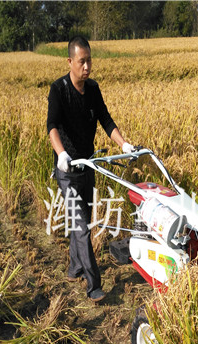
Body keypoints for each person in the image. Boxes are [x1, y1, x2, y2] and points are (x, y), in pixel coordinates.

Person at [47, 35, 134, 302]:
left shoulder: (93, 89)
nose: (87, 67)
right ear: (70, 61)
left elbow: (105, 120)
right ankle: (93, 285)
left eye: (89, 61)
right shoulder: (59, 89)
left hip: (88, 165)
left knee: (81, 220)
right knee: (83, 226)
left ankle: (74, 268)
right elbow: (52, 126)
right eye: (81, 62)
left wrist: (124, 143)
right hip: (68, 169)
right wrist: (61, 154)